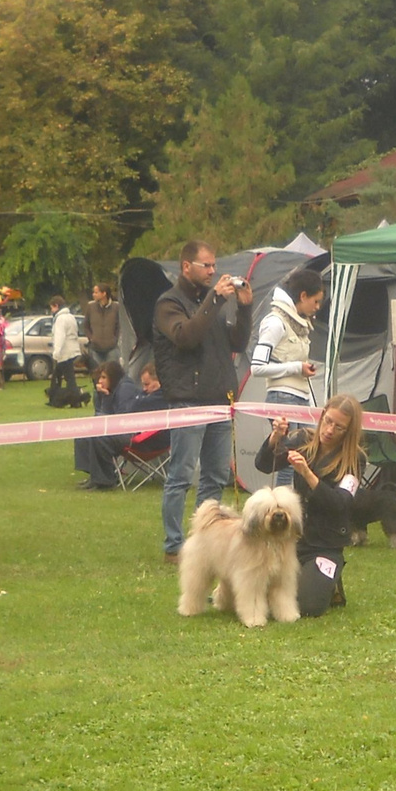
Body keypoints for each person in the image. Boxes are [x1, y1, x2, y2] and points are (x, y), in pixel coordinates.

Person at [154, 239, 253, 563]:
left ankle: (205, 543)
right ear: (186, 267)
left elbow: (236, 342)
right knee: (181, 476)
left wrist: (244, 307)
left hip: (219, 402)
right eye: (206, 265)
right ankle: (173, 545)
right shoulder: (169, 303)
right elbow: (186, 337)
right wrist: (215, 299)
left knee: (214, 478)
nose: (213, 271)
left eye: (214, 265)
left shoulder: (212, 303)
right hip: (188, 402)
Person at [254, 394, 364, 617]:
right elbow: (264, 465)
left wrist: (307, 474)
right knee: (261, 587)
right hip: (292, 539)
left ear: (349, 432)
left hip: (325, 545)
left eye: (339, 427)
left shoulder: (355, 459)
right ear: (322, 415)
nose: (330, 430)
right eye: (328, 421)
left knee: (307, 606)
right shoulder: (303, 440)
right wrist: (275, 438)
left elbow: (340, 504)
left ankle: (329, 579)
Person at [251, 267, 323, 485]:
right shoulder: (275, 323)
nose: (317, 307)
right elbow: (256, 367)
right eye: (316, 301)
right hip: (282, 399)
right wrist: (295, 368)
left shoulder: (297, 323)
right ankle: (282, 511)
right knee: (287, 464)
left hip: (299, 399)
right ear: (303, 296)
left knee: (299, 460)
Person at [73, 361, 146, 490]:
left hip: (130, 432)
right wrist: (101, 395)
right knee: (83, 433)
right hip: (114, 429)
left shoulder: (125, 389)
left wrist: (106, 398)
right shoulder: (112, 388)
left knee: (99, 438)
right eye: (100, 377)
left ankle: (106, 481)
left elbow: (121, 419)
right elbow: (100, 416)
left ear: (113, 376)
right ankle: (95, 476)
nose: (100, 381)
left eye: (104, 377)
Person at [48, 295, 85, 407]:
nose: (51, 310)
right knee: (58, 376)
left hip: (64, 353)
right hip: (72, 350)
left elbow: (60, 336)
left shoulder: (60, 319)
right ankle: (54, 399)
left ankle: (75, 400)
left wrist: (56, 353)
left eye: (52, 307)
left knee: (69, 379)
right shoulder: (70, 317)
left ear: (56, 306)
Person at [83, 282, 119, 373]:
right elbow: (86, 325)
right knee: (97, 373)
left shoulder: (116, 307)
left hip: (112, 347)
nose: (93, 294)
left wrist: (116, 339)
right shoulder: (90, 306)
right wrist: (91, 338)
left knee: (111, 373)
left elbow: (119, 326)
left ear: (104, 293)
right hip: (95, 347)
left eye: (96, 292)